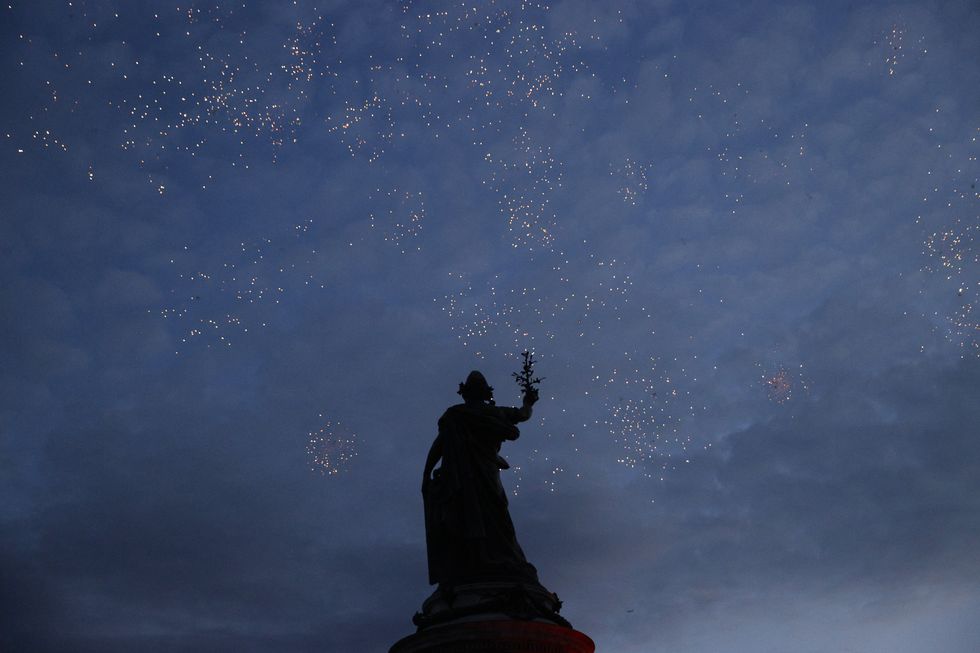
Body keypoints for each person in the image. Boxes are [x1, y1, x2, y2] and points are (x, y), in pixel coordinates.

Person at [422, 371, 540, 588]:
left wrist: (426, 473)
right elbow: (523, 414)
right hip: (485, 473)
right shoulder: (492, 413)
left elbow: (438, 445)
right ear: (486, 393)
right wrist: (528, 402)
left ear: (465, 393)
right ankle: (498, 559)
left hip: (460, 478)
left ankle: (476, 559)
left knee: (469, 515)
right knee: (496, 515)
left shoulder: (455, 415)